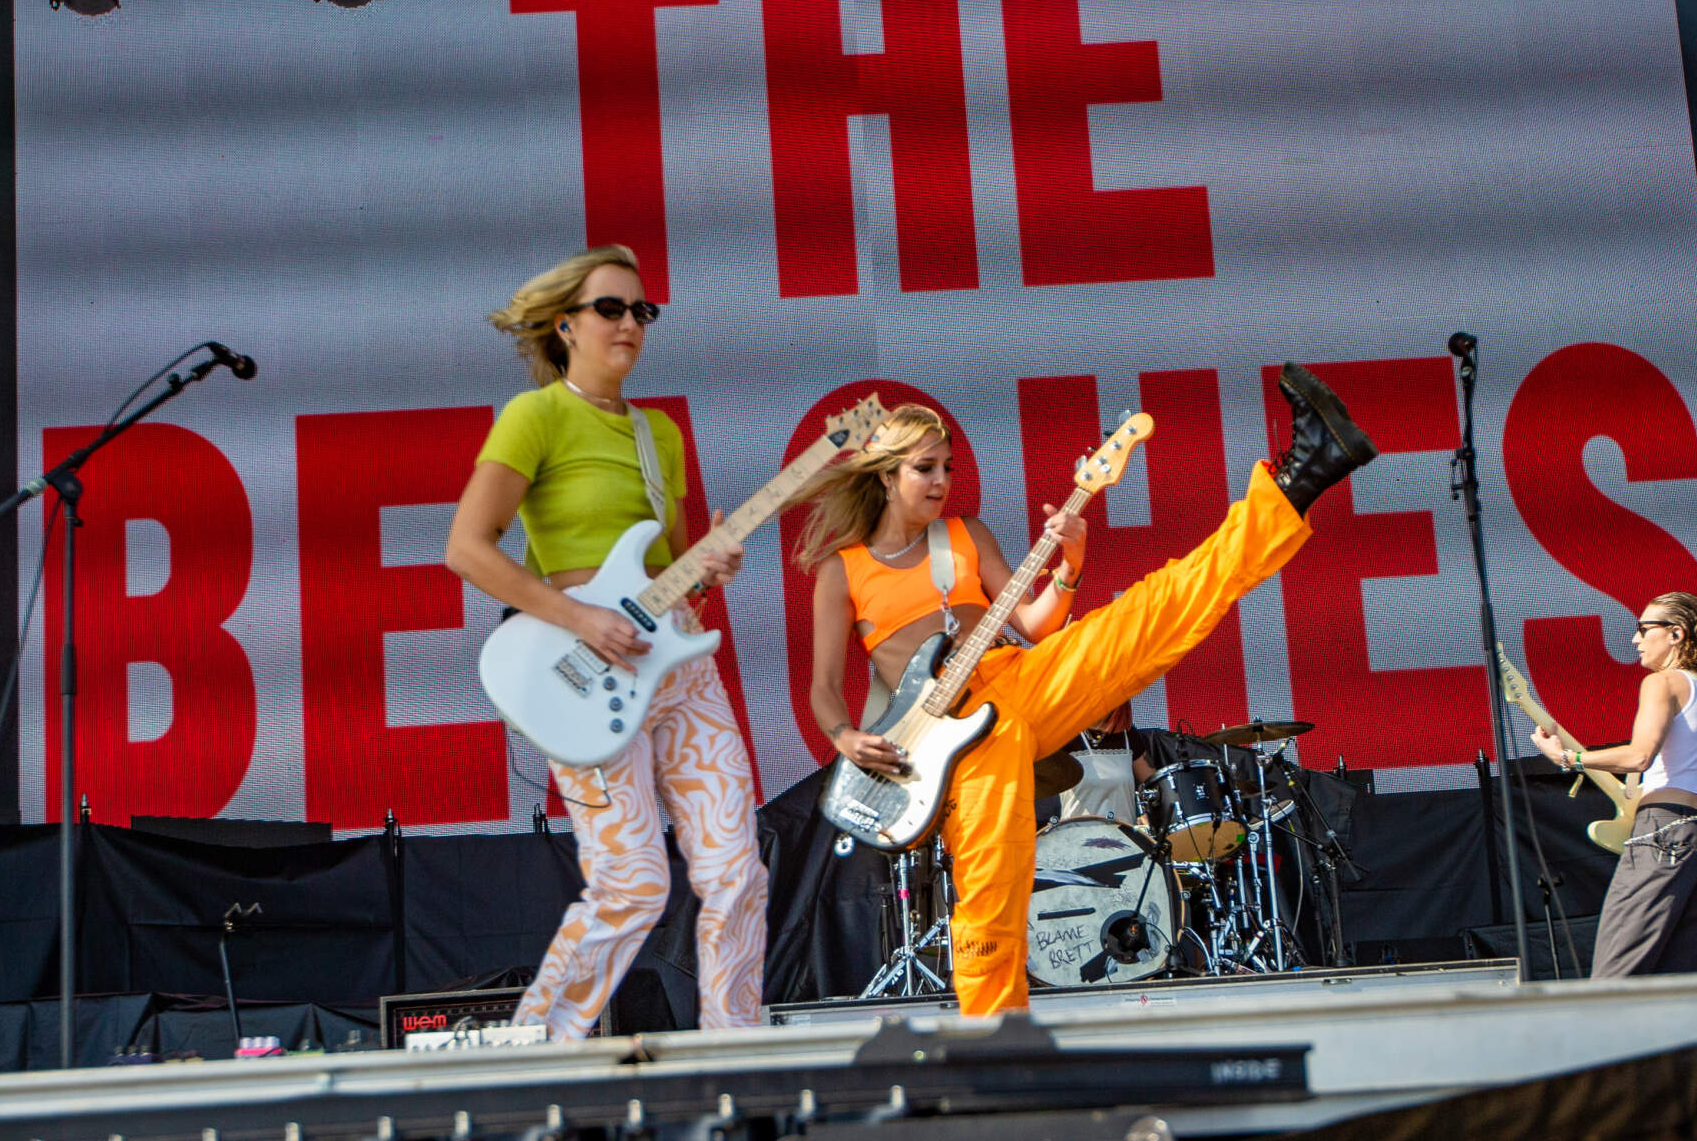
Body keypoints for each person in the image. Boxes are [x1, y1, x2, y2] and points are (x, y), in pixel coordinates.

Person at [797, 364, 1377, 1015]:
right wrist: (845, 735)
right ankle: (995, 1033)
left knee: (1148, 613)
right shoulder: (841, 571)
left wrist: (1070, 566)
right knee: (992, 877)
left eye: (947, 467)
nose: (940, 482)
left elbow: (1034, 627)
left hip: (1014, 676)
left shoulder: (964, 537)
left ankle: (1299, 481)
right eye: (924, 469)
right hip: (944, 737)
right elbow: (822, 688)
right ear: (885, 475)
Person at [445, 245, 768, 1039]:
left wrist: (712, 562)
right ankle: (534, 1046)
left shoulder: (659, 432)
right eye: (611, 308)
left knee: (736, 870)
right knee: (631, 885)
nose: (630, 323)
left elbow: (677, 569)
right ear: (566, 325)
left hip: (678, 658)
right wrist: (579, 617)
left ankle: (737, 1044)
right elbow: (467, 547)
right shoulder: (536, 415)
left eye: (642, 311)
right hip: (583, 662)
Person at [1531, 591, 1697, 978]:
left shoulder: (1662, 683)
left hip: (1666, 832)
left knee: (1617, 976)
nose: (1635, 639)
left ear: (1676, 634)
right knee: (1677, 981)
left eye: (1642, 629)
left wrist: (1569, 759)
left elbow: (1639, 756)